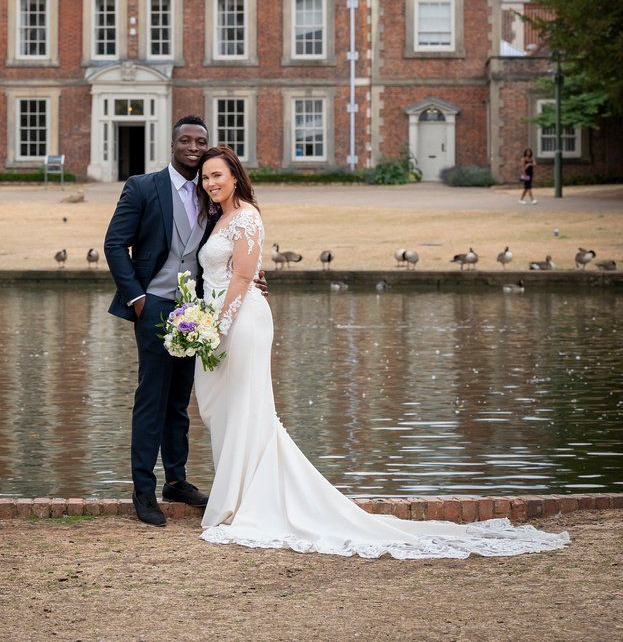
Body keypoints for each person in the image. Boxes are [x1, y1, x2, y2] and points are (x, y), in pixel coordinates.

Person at [193, 145, 569, 559]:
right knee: (226, 408)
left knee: (248, 408)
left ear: (235, 176)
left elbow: (245, 276)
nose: (211, 183)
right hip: (218, 320)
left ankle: (242, 502)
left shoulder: (246, 215)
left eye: (218, 176)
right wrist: (205, 323)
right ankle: (238, 494)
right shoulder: (219, 216)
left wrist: (218, 327)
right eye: (206, 177)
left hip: (241, 322)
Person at [103, 116, 267, 527]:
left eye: (201, 141)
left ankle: (176, 480)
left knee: (180, 400)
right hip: (154, 305)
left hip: (196, 310)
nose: (194, 147)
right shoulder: (143, 187)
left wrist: (252, 275)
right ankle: (143, 486)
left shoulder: (211, 195)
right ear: (173, 144)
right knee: (151, 397)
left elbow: (230, 249)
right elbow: (114, 243)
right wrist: (138, 299)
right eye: (186, 140)